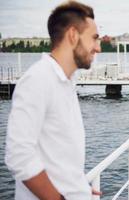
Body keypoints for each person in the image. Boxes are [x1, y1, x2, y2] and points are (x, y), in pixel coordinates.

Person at [5, 1, 101, 200]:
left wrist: (78, 188)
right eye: (94, 38)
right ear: (73, 35)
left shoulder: (66, 81)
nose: (98, 48)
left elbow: (58, 153)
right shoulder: (38, 79)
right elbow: (19, 157)